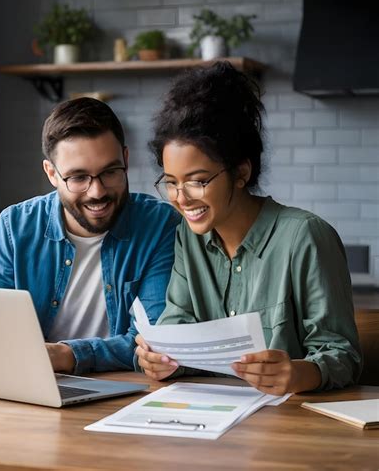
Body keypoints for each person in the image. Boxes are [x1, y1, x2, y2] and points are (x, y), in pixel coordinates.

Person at [135, 62, 362, 395]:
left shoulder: (305, 237)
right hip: (212, 415)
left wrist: (301, 373)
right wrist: (162, 359)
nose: (181, 198)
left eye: (198, 181)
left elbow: (343, 355)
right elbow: (178, 323)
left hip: (290, 424)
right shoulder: (189, 237)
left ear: (241, 172)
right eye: (171, 183)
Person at [0, 97, 180, 374]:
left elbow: (154, 344)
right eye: (78, 177)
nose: (97, 192)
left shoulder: (160, 225)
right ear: (51, 173)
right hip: (28, 386)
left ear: (126, 160)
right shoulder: (14, 228)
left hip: (125, 392)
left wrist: (69, 355)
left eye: (110, 172)